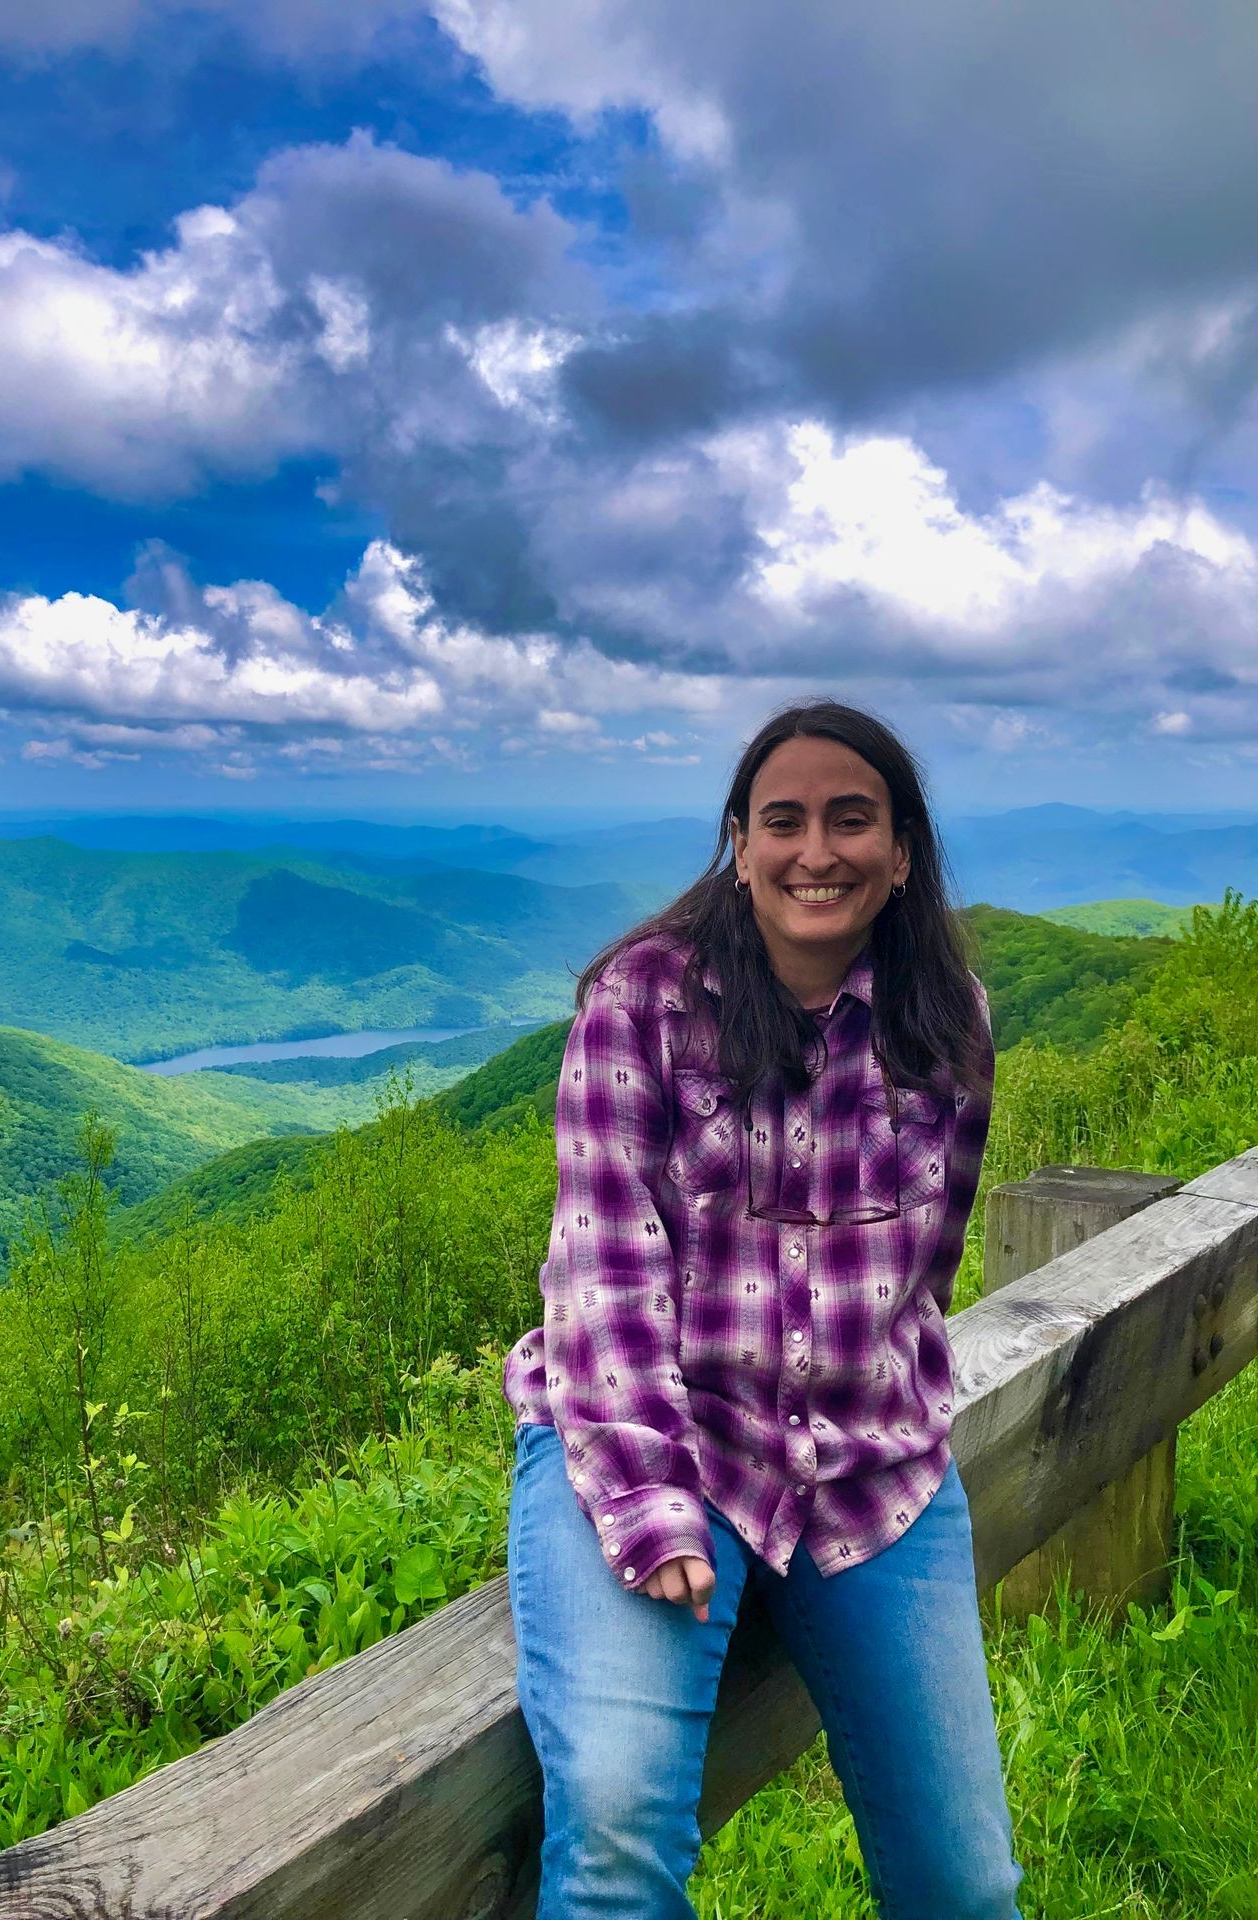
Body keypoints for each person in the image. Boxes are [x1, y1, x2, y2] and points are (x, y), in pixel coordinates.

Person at [504, 700, 1024, 1919]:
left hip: (870, 1470)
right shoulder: (640, 1004)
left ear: (903, 854)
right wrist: (649, 1503)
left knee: (968, 1882)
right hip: (645, 1441)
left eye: (854, 820)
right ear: (738, 845)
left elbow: (926, 1271)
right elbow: (605, 1271)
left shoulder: (948, 1026)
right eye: (782, 821)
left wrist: (882, 1402)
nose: (817, 851)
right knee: (620, 1833)